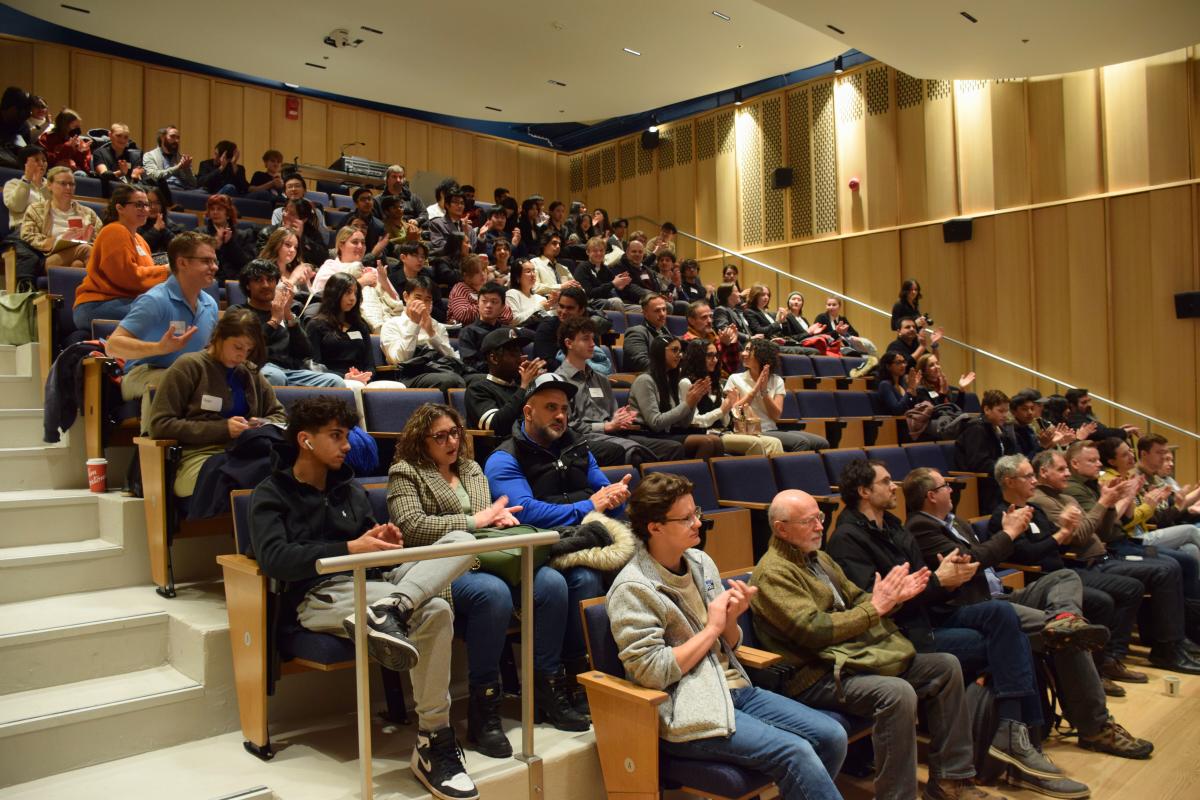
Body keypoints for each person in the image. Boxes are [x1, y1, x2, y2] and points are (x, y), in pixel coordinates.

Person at [249, 396, 480, 799]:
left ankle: (394, 609)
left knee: (462, 539)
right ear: (305, 440)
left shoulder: (347, 488)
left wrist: (383, 538)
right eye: (336, 437)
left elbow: (369, 537)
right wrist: (350, 549)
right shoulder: (271, 494)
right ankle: (434, 738)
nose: (347, 445)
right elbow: (275, 559)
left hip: (380, 584)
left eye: (347, 436)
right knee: (439, 607)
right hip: (319, 594)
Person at [826, 459, 1076, 788]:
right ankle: (1019, 740)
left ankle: (1014, 733)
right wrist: (940, 583)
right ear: (863, 491)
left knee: (1003, 617)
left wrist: (950, 576)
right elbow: (877, 605)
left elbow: (922, 578)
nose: (894, 487)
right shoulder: (847, 539)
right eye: (886, 482)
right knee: (1013, 643)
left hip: (929, 614)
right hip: (901, 634)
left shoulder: (891, 524)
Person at [608, 473, 847, 800]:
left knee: (833, 735)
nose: (698, 523)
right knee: (796, 751)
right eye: (686, 518)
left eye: (698, 512)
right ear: (655, 527)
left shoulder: (700, 561)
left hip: (735, 688)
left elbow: (729, 644)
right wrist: (712, 628)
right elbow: (652, 672)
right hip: (687, 707)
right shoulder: (633, 588)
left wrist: (732, 620)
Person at [751, 488, 1000, 800]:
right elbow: (814, 630)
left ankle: (951, 781)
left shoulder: (820, 558)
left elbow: (858, 599)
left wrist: (893, 598)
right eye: (808, 521)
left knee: (945, 666)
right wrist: (876, 608)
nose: (819, 526)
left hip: (852, 658)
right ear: (780, 528)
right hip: (814, 674)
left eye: (820, 517)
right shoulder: (773, 573)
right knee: (896, 693)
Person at [903, 465, 1151, 766]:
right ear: (931, 495)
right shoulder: (920, 527)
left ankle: (1064, 621)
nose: (952, 489)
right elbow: (974, 561)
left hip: (1001, 594)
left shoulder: (957, 522)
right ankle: (1096, 726)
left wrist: (1005, 535)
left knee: (1063, 578)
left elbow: (989, 554)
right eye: (945, 486)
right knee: (1067, 637)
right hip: (974, 608)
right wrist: (1009, 532)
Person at [387, 401, 598, 746]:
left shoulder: (470, 469)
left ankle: (545, 690)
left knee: (552, 582)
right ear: (420, 441)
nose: (451, 442)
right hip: (441, 568)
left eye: (454, 432)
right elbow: (411, 528)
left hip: (489, 557)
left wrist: (498, 520)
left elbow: (487, 522)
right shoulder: (406, 472)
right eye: (439, 436)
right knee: (493, 593)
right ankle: (484, 710)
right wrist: (477, 522)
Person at [1003, 447, 1200, 675]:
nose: (1067, 473)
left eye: (1067, 468)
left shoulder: (1065, 496)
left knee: (1175, 564)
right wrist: (1104, 503)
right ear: (1044, 472)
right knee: (1165, 570)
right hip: (1083, 563)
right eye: (1061, 468)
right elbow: (1078, 536)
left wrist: (1109, 504)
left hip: (1104, 555)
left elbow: (1104, 533)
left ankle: (1169, 642)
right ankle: (1163, 647)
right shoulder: (1042, 501)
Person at [147, 308, 286, 496]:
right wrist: (223, 429)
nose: (242, 356)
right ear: (219, 336)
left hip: (244, 452)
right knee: (254, 477)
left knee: (282, 471)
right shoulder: (188, 367)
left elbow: (279, 415)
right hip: (197, 456)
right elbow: (160, 425)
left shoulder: (249, 371)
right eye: (237, 347)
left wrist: (260, 425)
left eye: (248, 350)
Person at [484, 372, 630, 528]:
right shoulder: (504, 458)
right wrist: (589, 506)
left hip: (593, 533)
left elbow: (605, 497)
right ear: (528, 413)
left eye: (564, 409)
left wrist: (616, 499)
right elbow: (524, 512)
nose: (560, 416)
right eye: (551, 407)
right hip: (545, 545)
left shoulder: (577, 446)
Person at [104, 231, 218, 421]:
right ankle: (154, 448)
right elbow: (113, 346)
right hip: (141, 373)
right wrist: (159, 348)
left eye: (214, 261)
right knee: (170, 380)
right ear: (182, 263)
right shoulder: (155, 300)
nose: (214, 267)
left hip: (188, 374)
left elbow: (207, 348)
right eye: (206, 261)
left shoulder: (210, 304)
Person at [556, 316, 685, 466]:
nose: (592, 344)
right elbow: (568, 425)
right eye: (585, 339)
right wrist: (606, 426)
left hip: (614, 433)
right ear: (569, 343)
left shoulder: (601, 379)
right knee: (634, 454)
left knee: (673, 448)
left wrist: (623, 419)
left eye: (593, 339)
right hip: (585, 438)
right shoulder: (558, 380)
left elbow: (613, 414)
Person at [229, 259, 343, 388]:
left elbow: (305, 352)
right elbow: (247, 346)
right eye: (258, 280)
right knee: (276, 376)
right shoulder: (238, 311)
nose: (266, 285)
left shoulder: (284, 312)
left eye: (270, 280)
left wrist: (288, 315)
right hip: (257, 367)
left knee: (335, 381)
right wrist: (274, 321)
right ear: (247, 285)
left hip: (291, 371)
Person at [71, 183, 164, 330]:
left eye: (147, 205)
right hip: (98, 305)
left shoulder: (141, 240)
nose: (145, 210)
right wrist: (167, 270)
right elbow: (128, 278)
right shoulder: (114, 231)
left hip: (127, 302)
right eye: (139, 205)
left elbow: (148, 281)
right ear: (120, 208)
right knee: (164, 315)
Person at [1102, 435, 1200, 561]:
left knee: (1190, 549)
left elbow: (1169, 508)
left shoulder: (1144, 478)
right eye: (1159, 452)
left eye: (1131, 452)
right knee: (1191, 531)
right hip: (1135, 539)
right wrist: (1150, 505)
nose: (1132, 456)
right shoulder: (1116, 482)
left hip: (1147, 531)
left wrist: (1184, 506)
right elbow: (1142, 520)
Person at [304, 272, 405, 393]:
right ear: (334, 294)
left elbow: (370, 364)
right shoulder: (316, 325)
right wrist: (345, 376)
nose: (353, 298)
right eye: (348, 293)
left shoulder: (360, 326)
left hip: (361, 379)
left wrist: (366, 376)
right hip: (333, 379)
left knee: (397, 387)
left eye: (355, 293)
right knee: (354, 386)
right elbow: (314, 366)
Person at [628, 335, 724, 460]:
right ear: (660, 352)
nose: (680, 355)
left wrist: (693, 401)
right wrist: (687, 404)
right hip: (645, 434)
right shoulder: (645, 380)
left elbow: (684, 424)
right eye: (674, 350)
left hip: (664, 434)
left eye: (680, 351)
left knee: (716, 441)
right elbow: (655, 423)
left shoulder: (670, 380)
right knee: (707, 442)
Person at [680, 339, 783, 456]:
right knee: (756, 443)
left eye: (716, 355)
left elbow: (725, 422)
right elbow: (694, 421)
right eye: (709, 356)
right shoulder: (686, 383)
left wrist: (728, 410)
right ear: (697, 357)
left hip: (723, 432)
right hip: (704, 434)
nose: (715, 360)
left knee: (775, 443)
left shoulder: (716, 384)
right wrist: (721, 411)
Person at [726, 338, 829, 451]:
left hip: (771, 429)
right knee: (801, 443)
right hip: (750, 431)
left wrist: (764, 392)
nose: (743, 354)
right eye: (744, 350)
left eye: (748, 350)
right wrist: (755, 389)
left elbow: (776, 416)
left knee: (822, 443)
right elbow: (736, 412)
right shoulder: (735, 379)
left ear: (761, 355)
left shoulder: (776, 380)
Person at [379, 275, 466, 394]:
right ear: (406, 297)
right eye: (418, 297)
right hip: (409, 374)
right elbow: (399, 359)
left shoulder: (437, 326)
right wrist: (414, 324)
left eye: (427, 299)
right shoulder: (391, 325)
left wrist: (432, 333)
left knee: (478, 380)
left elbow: (452, 359)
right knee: (451, 380)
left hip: (439, 368)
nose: (422, 304)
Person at [314, 227, 401, 332]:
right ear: (341, 245)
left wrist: (383, 282)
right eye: (355, 242)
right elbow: (321, 295)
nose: (360, 246)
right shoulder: (330, 267)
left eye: (363, 243)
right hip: (349, 325)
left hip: (388, 322)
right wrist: (363, 281)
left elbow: (396, 303)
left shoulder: (373, 270)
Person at [21, 165, 100, 270]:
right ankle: (102, 284)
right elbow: (27, 235)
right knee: (85, 250)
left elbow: (101, 237)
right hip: (50, 258)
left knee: (77, 264)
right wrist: (57, 240)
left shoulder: (88, 212)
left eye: (71, 184)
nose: (68, 188)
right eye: (63, 183)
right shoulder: (36, 209)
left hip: (80, 256)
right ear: (49, 185)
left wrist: (89, 236)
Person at [955, 389, 1018, 514]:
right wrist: (1006, 469)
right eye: (1000, 411)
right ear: (987, 410)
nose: (1005, 415)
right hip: (980, 484)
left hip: (996, 479)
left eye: (1006, 411)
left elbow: (1010, 454)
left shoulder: (999, 429)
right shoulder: (976, 429)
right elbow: (978, 463)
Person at [530, 287, 613, 373]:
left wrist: (595, 377)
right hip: (555, 379)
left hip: (586, 376)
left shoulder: (588, 330)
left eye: (569, 308)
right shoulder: (547, 327)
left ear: (581, 310)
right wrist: (579, 374)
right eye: (561, 306)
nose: (563, 312)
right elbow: (545, 362)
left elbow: (593, 358)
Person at [3, 144, 49, 287]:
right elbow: (17, 206)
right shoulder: (13, 184)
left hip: (47, 232)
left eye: (44, 160)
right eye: (36, 160)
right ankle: (24, 292)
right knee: (30, 257)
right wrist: (28, 179)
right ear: (25, 163)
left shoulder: (51, 186)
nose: (41, 164)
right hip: (22, 231)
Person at [456, 282, 511, 374]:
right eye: (484, 301)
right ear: (478, 303)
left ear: (502, 307)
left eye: (494, 302)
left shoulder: (507, 332)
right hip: (480, 377)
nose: (488, 305)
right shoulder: (468, 332)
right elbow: (470, 364)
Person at [682, 300, 742, 379]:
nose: (710, 321)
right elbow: (710, 369)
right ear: (691, 320)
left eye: (710, 316)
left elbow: (732, 368)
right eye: (704, 317)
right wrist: (725, 345)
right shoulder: (689, 341)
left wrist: (731, 344)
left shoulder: (711, 335)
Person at [447, 255, 512, 326]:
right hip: (465, 332)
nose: (483, 274)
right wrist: (492, 307)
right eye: (477, 272)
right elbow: (462, 315)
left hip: (490, 328)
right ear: (466, 275)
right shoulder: (460, 288)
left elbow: (508, 315)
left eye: (484, 270)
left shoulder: (488, 289)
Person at [572, 235, 632, 311]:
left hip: (609, 301)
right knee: (617, 302)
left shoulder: (605, 269)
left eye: (601, 250)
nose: (599, 253)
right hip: (591, 303)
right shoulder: (582, 268)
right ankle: (623, 322)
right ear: (588, 252)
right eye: (595, 251)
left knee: (639, 308)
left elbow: (613, 287)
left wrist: (620, 287)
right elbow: (589, 293)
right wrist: (613, 284)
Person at [203, 194, 255, 282]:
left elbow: (247, 264)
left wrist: (230, 243)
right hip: (209, 279)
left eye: (219, 209)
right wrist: (216, 246)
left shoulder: (244, 235)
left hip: (235, 280)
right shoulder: (201, 234)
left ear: (228, 213)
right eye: (212, 209)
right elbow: (199, 261)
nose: (215, 212)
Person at [813, 296, 877, 361]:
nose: (831, 307)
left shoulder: (842, 319)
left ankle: (875, 365)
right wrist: (836, 332)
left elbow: (855, 333)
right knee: (857, 355)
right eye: (829, 305)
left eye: (834, 305)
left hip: (846, 343)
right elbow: (817, 337)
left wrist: (845, 333)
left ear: (839, 306)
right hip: (831, 345)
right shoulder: (821, 317)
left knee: (868, 345)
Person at [256, 225, 315, 295]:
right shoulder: (263, 270)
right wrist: (293, 280)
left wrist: (304, 283)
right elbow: (271, 299)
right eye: (288, 245)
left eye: (296, 247)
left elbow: (310, 300)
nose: (293, 250)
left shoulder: (296, 270)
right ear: (275, 244)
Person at [621, 292, 671, 373]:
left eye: (664, 309)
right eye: (657, 310)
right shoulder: (636, 333)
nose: (662, 314)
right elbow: (640, 362)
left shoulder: (666, 332)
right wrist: (670, 369)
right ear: (645, 313)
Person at [1064, 388, 1139, 442]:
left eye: (1089, 401)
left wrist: (1120, 430)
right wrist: (1122, 432)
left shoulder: (1086, 416)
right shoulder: (1072, 419)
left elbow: (1103, 432)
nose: (1089, 405)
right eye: (1084, 402)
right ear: (1072, 405)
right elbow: (1098, 433)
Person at [142, 125, 196, 191]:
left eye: (178, 138)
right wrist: (178, 167)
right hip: (161, 191)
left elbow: (193, 184)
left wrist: (187, 169)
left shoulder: (182, 159)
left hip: (181, 191)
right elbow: (155, 176)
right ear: (162, 137)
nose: (176, 140)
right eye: (172, 136)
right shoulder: (150, 156)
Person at [138, 183, 185, 257]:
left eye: (157, 203)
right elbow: (139, 248)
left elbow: (180, 248)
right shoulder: (135, 225)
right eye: (149, 203)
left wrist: (164, 230)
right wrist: (155, 229)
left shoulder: (172, 226)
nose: (153, 207)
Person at [38, 108, 91, 173]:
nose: (78, 131)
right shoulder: (47, 138)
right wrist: (67, 148)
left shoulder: (80, 142)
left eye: (79, 127)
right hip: (54, 173)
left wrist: (81, 153)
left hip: (76, 175)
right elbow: (46, 161)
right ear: (64, 126)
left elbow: (86, 170)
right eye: (75, 127)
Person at [428, 185, 477, 255]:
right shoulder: (437, 224)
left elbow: (473, 251)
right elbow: (441, 247)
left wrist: (479, 236)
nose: (460, 206)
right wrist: (463, 239)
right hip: (447, 263)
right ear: (447, 205)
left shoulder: (468, 228)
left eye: (462, 203)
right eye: (456, 202)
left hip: (467, 264)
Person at [505, 259, 554, 326]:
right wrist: (539, 307)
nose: (533, 274)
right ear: (517, 277)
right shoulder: (512, 294)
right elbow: (513, 320)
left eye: (533, 270)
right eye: (528, 271)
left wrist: (555, 304)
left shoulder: (541, 298)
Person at [340, 186, 388, 254]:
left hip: (372, 259)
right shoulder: (346, 221)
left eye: (369, 199)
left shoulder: (379, 225)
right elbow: (339, 243)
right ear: (356, 204)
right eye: (363, 199)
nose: (367, 202)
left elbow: (382, 249)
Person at [876, 351, 918, 415]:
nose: (903, 365)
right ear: (888, 366)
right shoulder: (885, 385)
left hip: (909, 420)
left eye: (904, 362)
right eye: (898, 363)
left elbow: (912, 407)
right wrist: (909, 389)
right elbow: (897, 410)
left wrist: (913, 390)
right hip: (895, 422)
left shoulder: (902, 384)